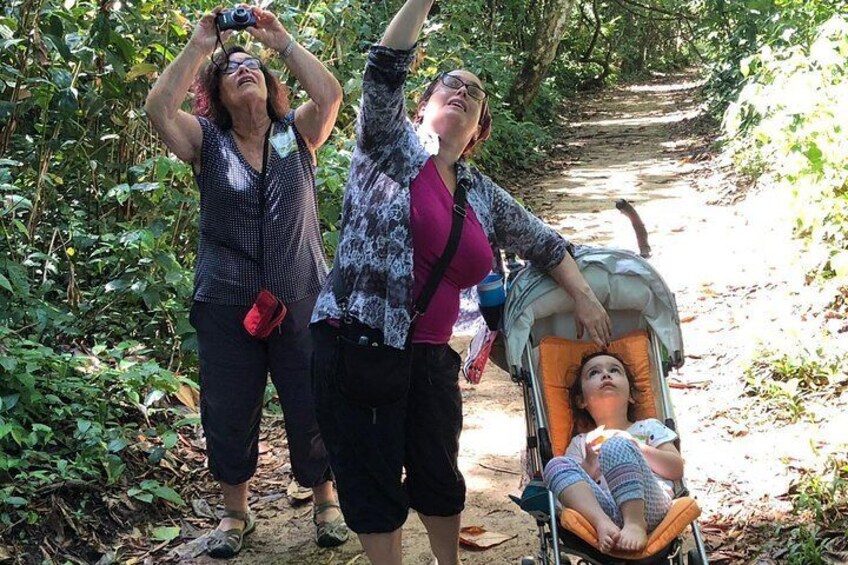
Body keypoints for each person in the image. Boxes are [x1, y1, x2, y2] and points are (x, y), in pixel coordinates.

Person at [309, 1, 612, 563]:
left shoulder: (479, 193)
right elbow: (383, 67)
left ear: (477, 132)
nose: (462, 92)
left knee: (439, 475)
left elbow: (544, 243)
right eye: (450, 84)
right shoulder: (389, 147)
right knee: (374, 480)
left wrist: (586, 296)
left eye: (474, 95)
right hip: (359, 347)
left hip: (430, 358)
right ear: (422, 104)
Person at [144, 5, 346, 558]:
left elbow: (330, 96)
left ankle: (326, 501)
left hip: (301, 292)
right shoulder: (204, 142)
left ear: (270, 82)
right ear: (216, 91)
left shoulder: (295, 135)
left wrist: (280, 40)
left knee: (310, 400)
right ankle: (237, 514)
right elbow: (157, 109)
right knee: (229, 408)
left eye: (250, 64)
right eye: (229, 68)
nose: (242, 68)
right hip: (226, 303)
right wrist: (200, 44)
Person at [543, 352, 685, 554]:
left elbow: (676, 468)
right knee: (555, 465)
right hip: (602, 512)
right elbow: (563, 496)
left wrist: (636, 446)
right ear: (582, 400)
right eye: (594, 373)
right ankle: (603, 524)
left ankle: (635, 523)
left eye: (614, 370)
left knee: (615, 445)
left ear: (631, 396)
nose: (605, 375)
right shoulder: (581, 443)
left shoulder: (648, 428)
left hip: (648, 507)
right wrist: (590, 463)